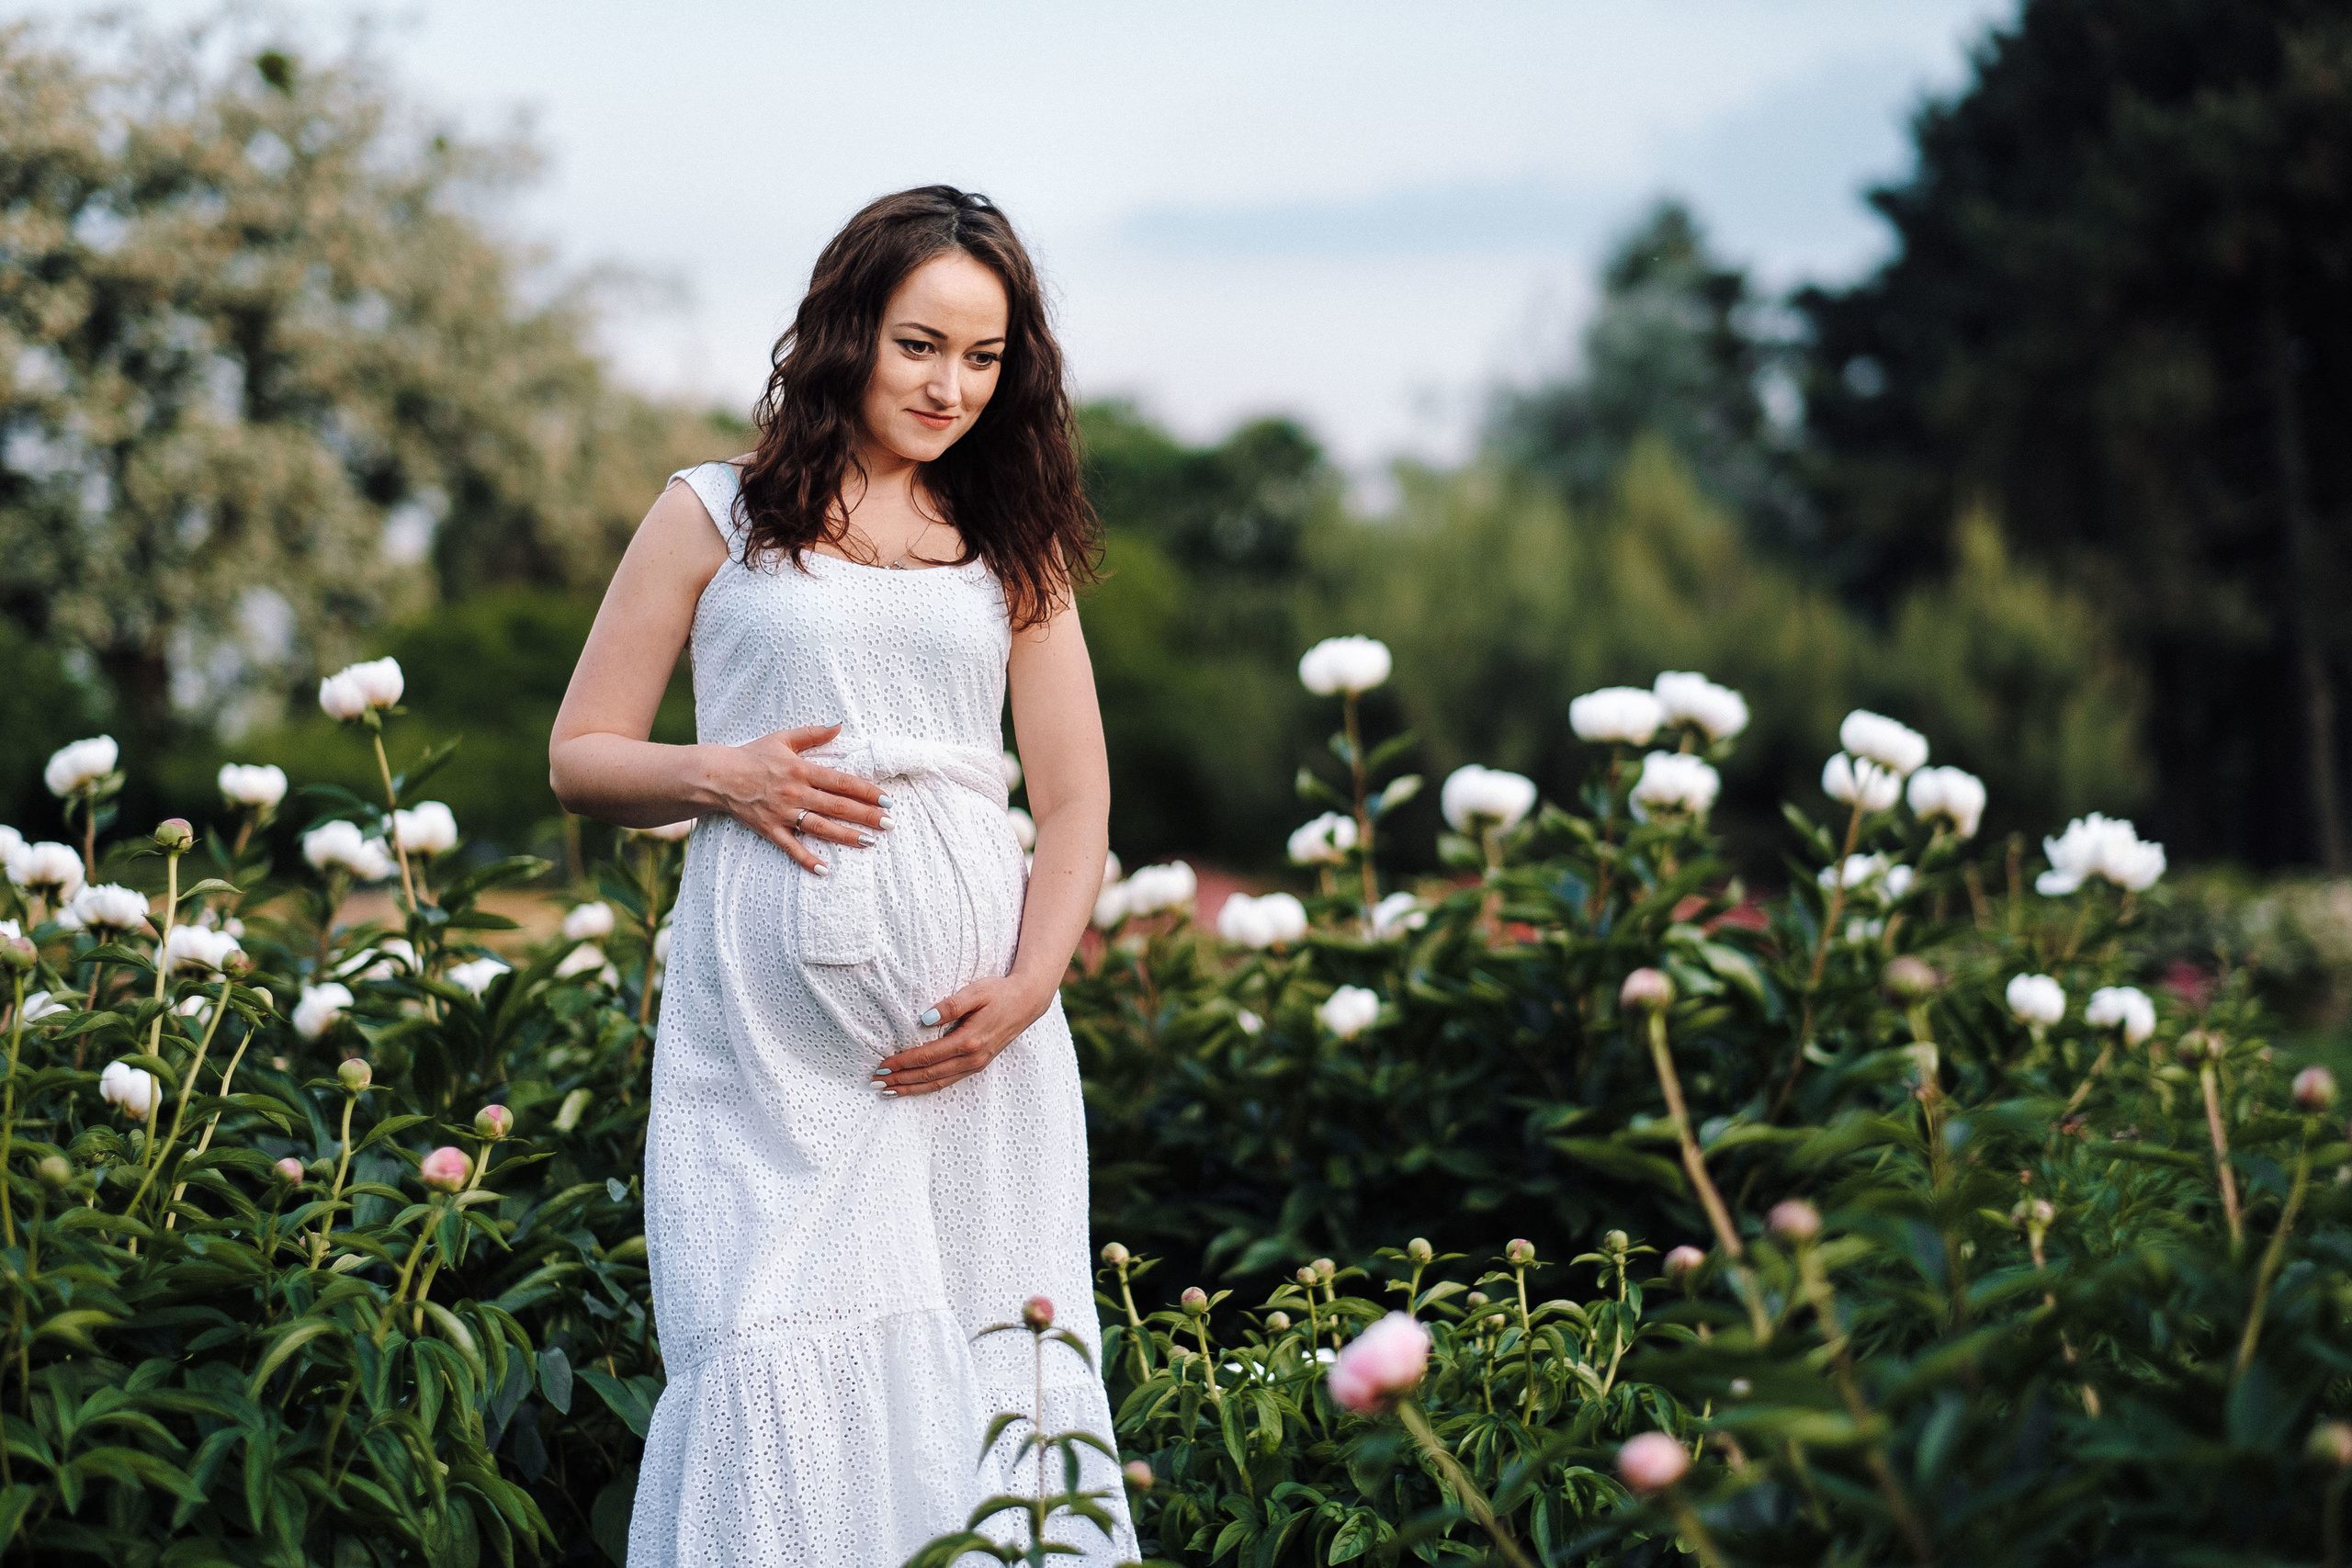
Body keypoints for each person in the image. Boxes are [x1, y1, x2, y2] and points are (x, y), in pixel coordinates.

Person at [549, 186, 1135, 1565]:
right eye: (921, 345)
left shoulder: (1011, 543)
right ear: (848, 331)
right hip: (765, 1051)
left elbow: (1074, 793)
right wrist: (726, 774)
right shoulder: (717, 513)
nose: (951, 386)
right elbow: (580, 754)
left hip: (973, 1049)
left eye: (985, 359)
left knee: (991, 1349)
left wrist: (1033, 985)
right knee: (765, 1339)